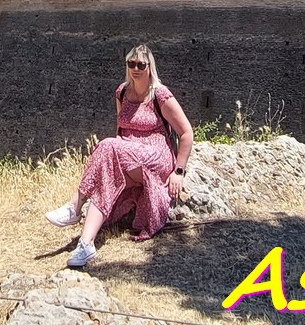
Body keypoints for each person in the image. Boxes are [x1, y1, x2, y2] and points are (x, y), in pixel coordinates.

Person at [44, 43, 195, 268]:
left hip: (156, 156)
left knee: (106, 146)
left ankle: (74, 208)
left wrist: (178, 172)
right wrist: (116, 157)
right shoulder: (122, 91)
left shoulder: (160, 95)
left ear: (149, 67)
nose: (135, 68)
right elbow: (121, 130)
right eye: (131, 63)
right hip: (129, 153)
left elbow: (186, 133)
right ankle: (85, 245)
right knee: (106, 174)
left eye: (141, 64)